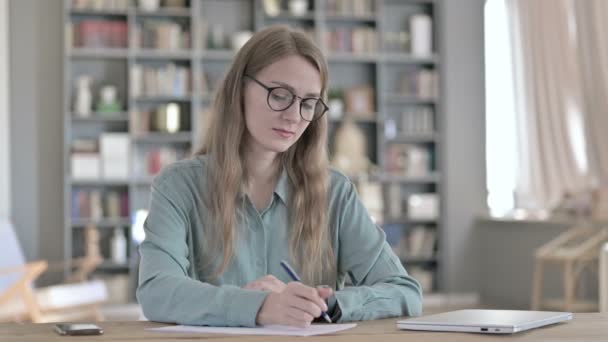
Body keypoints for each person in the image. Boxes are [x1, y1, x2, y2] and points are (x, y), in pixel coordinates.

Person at [137, 25, 422, 328]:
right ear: (240, 90)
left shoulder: (334, 192)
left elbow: (405, 291)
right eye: (280, 94)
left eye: (308, 102)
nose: (294, 115)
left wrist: (326, 304)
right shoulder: (179, 186)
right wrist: (260, 307)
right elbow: (157, 291)